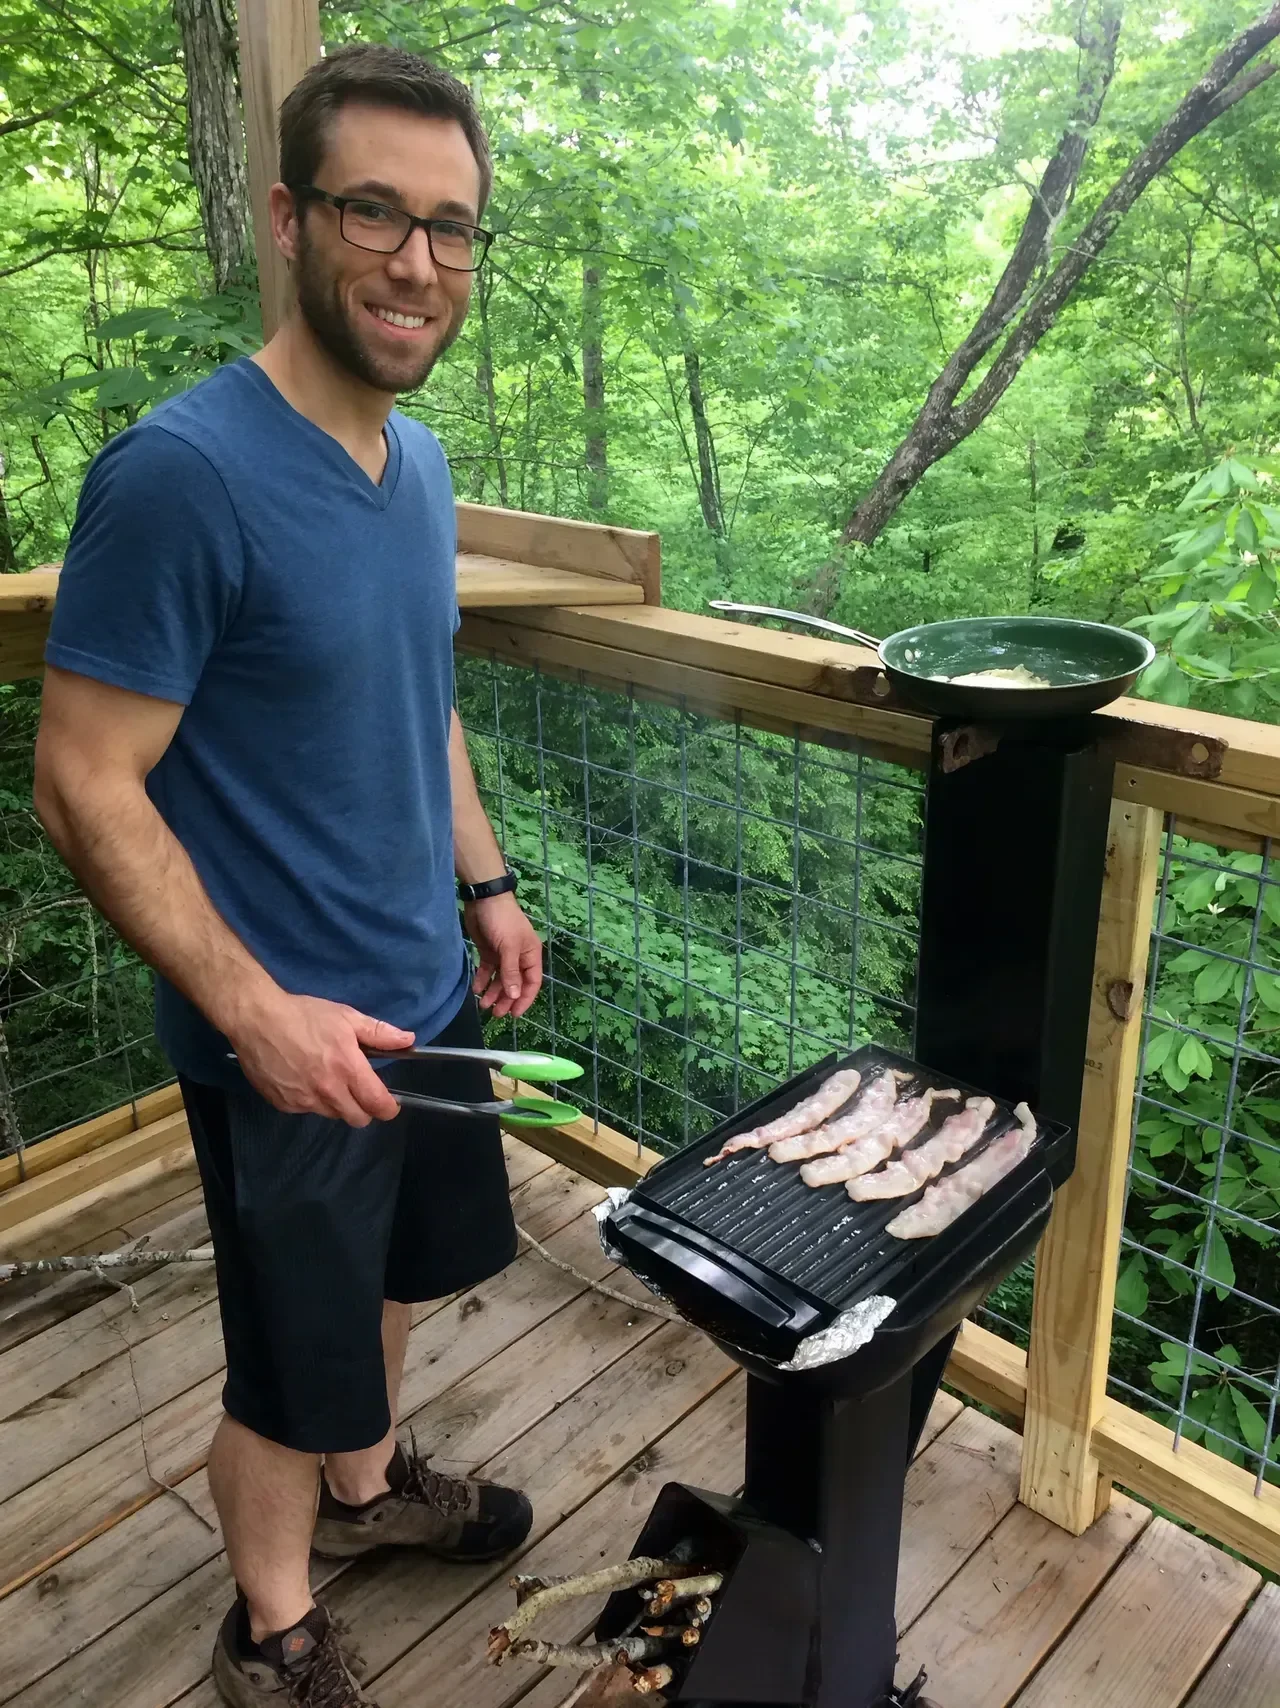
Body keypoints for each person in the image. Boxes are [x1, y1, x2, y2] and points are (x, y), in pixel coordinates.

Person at [33, 43, 543, 1708]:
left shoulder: (418, 464)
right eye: (375, 211)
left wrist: (485, 886)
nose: (417, 261)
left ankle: (369, 1493)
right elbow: (80, 781)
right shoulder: (182, 477)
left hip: (418, 996)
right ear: (288, 218)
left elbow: (419, 697)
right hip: (283, 1041)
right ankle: (272, 1626)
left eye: (451, 226)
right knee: (284, 1360)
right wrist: (257, 1017)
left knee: (393, 1284)